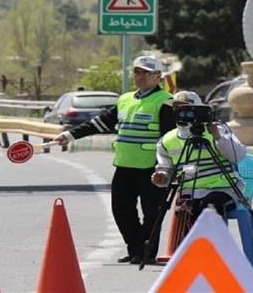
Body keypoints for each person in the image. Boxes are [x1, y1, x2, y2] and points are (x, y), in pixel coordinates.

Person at [55, 56, 175, 265]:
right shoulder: (125, 99)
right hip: (125, 165)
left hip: (153, 168)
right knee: (121, 210)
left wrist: (167, 168)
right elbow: (99, 123)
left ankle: (146, 252)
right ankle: (135, 247)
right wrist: (70, 135)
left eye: (146, 73)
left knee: (152, 213)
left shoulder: (166, 102)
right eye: (137, 72)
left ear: (158, 77)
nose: (140, 77)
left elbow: (170, 137)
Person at [151, 91, 247, 223]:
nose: (181, 112)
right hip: (190, 191)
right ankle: (191, 243)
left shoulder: (216, 130)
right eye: (176, 108)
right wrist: (161, 177)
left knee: (209, 207)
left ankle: (214, 242)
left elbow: (238, 156)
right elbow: (166, 172)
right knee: (186, 210)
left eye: (186, 108)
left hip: (224, 189)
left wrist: (219, 137)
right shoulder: (167, 140)